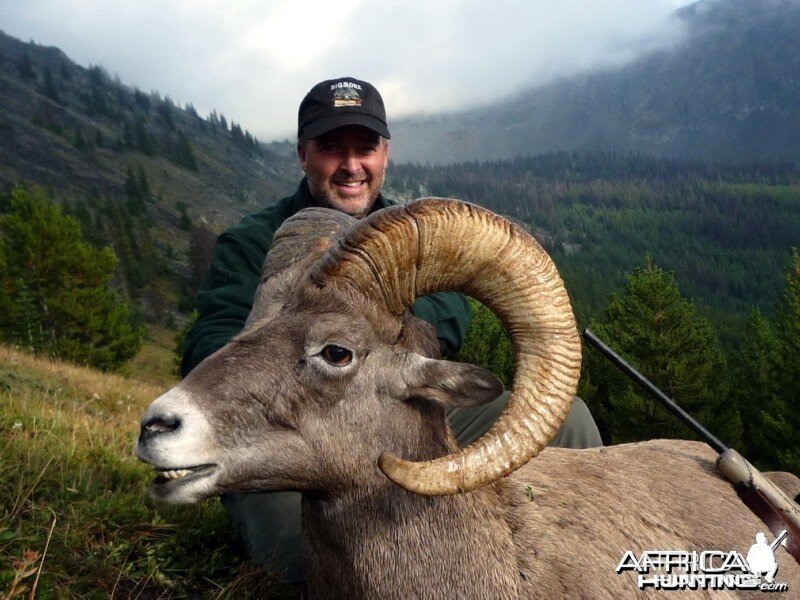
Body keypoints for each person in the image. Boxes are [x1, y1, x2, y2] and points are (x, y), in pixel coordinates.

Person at [181, 76, 602, 582]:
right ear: (303, 155)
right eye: (331, 148)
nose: (351, 165)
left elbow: (450, 313)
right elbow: (212, 341)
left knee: (571, 420)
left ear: (385, 153)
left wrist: (369, 337)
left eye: (365, 148)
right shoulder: (253, 241)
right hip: (286, 425)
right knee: (297, 555)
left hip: (395, 412)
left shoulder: (414, 237)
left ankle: (573, 572)